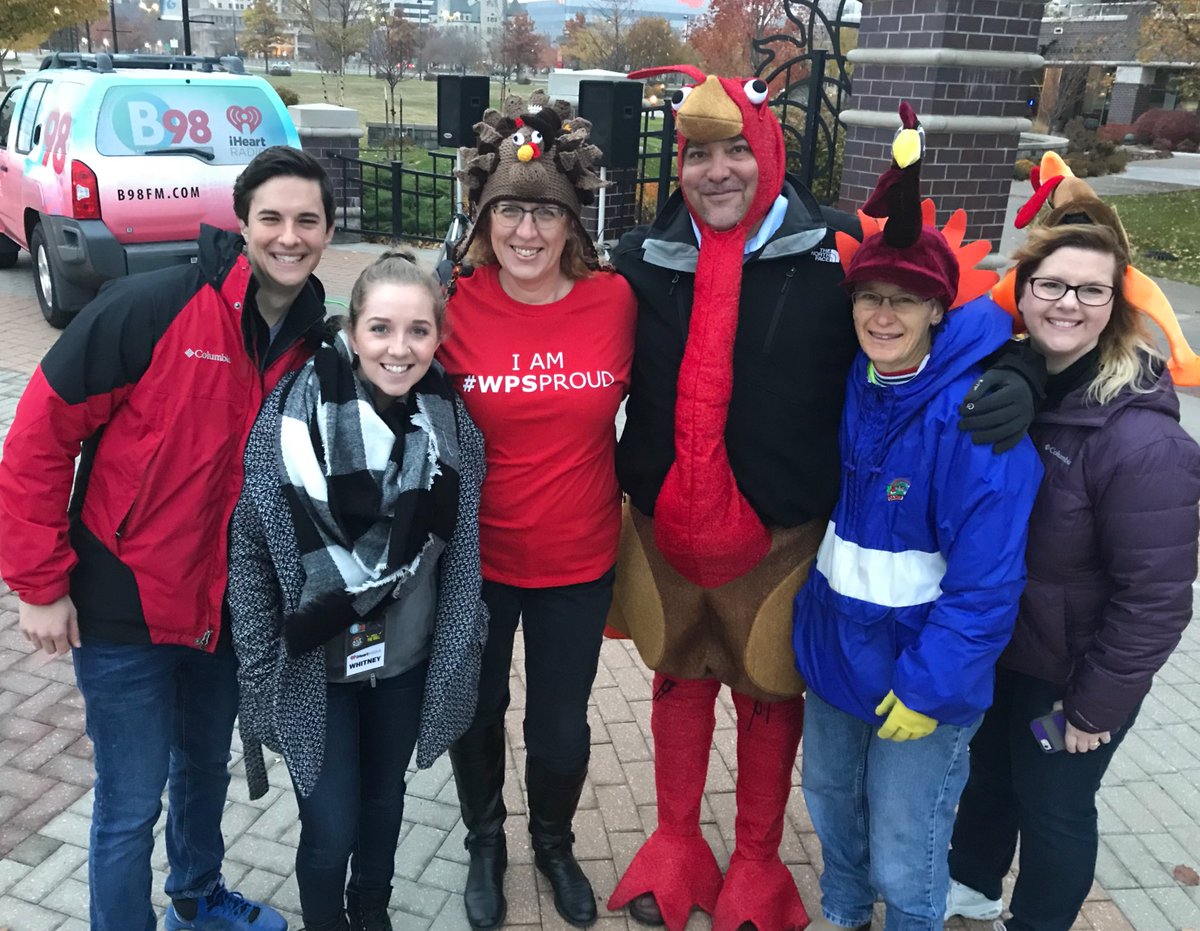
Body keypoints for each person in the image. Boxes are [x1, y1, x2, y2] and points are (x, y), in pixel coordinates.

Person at [604, 72, 1041, 931]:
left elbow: (938, 304)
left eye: (738, 149)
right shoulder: (641, 258)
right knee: (679, 682)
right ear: (679, 164)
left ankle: (760, 863)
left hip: (785, 535)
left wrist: (1020, 372)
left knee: (769, 692)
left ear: (770, 152)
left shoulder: (836, 246)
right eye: (699, 155)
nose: (718, 171)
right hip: (664, 534)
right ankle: (674, 841)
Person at [0, 144, 334, 931]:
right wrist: (39, 584)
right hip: (125, 602)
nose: (290, 236)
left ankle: (197, 895)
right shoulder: (150, 308)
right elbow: (39, 437)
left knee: (202, 772)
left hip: (228, 608)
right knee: (128, 799)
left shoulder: (318, 343)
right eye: (273, 218)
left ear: (326, 232)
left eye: (308, 221)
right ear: (242, 224)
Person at [790, 104, 1042, 931]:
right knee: (834, 811)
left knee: (907, 844)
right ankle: (842, 914)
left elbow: (988, 581)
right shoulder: (858, 382)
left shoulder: (978, 421)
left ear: (939, 309)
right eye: (870, 297)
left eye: (906, 300)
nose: (884, 315)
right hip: (837, 656)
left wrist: (931, 687)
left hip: (921, 673)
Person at [946, 169, 1200, 931]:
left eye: (1091, 291)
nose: (1067, 303)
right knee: (990, 779)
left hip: (1074, 681)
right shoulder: (1021, 390)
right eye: (1052, 284)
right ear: (1022, 293)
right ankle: (971, 889)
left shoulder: (1144, 441)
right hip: (1005, 656)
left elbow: (1156, 599)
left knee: (1052, 805)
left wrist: (1092, 707)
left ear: (1117, 303)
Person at [227, 252, 488, 931]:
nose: (399, 349)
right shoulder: (289, 417)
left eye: (418, 331)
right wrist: (259, 665)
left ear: (437, 335)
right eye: (380, 328)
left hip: (402, 661)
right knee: (330, 823)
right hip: (318, 667)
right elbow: (251, 551)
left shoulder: (451, 424)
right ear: (350, 331)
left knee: (384, 804)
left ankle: (370, 907)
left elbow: (462, 554)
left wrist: (463, 640)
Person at [436, 92, 637, 929]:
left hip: (578, 561)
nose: (526, 230)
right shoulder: (450, 300)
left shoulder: (617, 302)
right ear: (485, 218)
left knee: (559, 726)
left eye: (545, 213)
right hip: (474, 562)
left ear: (572, 223)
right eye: (510, 210)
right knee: (477, 711)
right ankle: (487, 840)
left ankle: (553, 842)